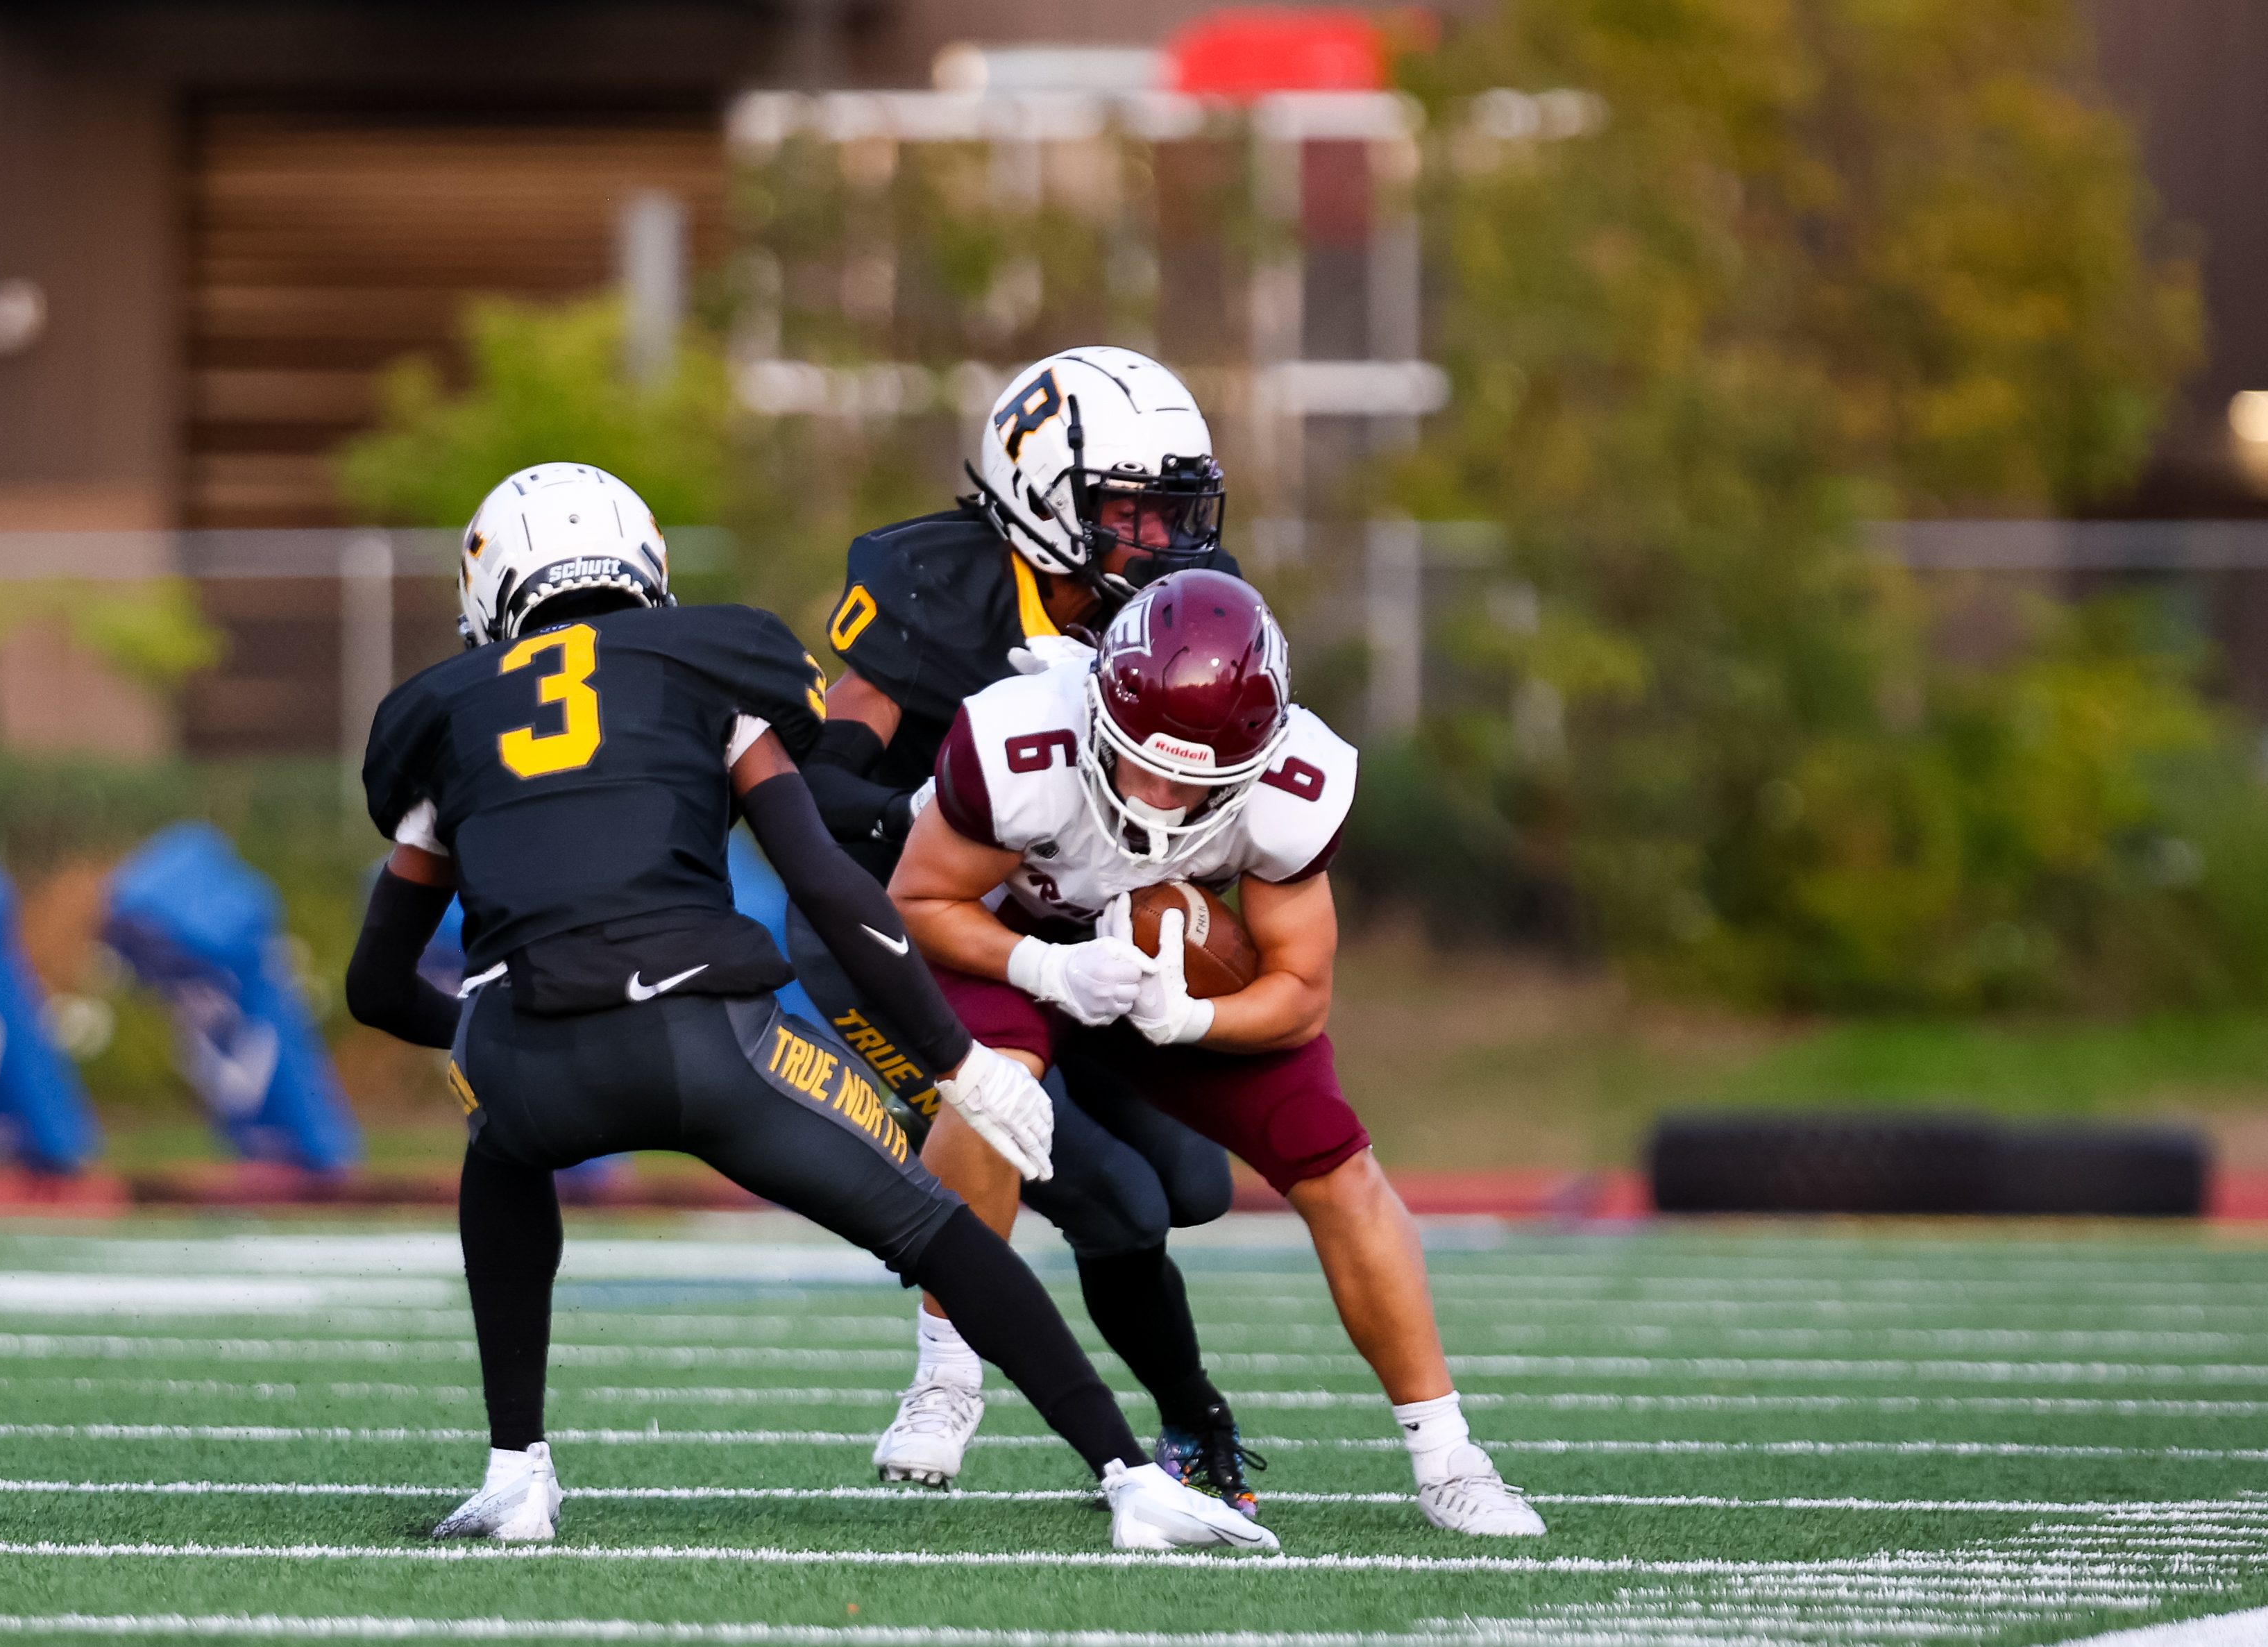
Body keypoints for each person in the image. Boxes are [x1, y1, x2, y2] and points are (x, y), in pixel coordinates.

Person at [345, 460, 1276, 1553]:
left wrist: (484, 1032)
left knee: (499, 1149)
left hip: (525, 1060)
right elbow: (831, 889)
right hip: (704, 1035)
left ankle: (515, 1474)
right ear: (646, 568)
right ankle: (1130, 1477)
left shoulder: (439, 714)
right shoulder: (714, 658)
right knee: (935, 1230)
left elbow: (373, 984)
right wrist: (954, 1060)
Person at [886, 566, 1548, 1538]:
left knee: (1335, 1158)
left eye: (1189, 780)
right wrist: (1045, 967)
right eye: (1135, 761)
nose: (1155, 794)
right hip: (1010, 947)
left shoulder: (1289, 786)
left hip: (1161, 968)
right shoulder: (1023, 738)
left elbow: (1301, 996)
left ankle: (1449, 1457)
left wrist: (1190, 1020)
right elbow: (917, 902)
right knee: (993, 1085)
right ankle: (944, 1375)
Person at [787, 345, 1259, 1504]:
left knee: (1189, 1188)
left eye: (1175, 508)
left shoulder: (1182, 603)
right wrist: (948, 815)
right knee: (1105, 1192)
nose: (1164, 540)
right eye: (1131, 512)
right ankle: (960, 1379)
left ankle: (1186, 1406)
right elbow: (811, 787)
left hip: (1081, 940)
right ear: (1043, 495)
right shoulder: (935, 584)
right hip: (903, 931)